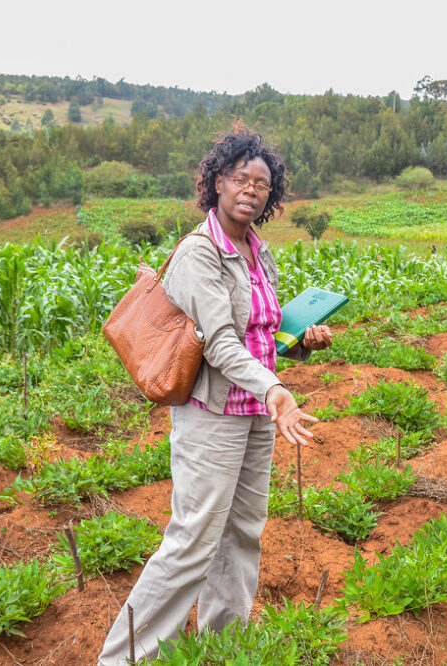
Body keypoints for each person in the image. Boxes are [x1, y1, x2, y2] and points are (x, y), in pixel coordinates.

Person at [99, 123, 332, 665]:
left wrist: (299, 346)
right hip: (213, 414)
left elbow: (261, 333)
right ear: (218, 182)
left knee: (242, 535)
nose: (251, 189)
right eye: (241, 178)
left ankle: (225, 650)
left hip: (254, 412)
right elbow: (222, 342)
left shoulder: (257, 251)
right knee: (193, 544)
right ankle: (123, 658)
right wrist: (276, 389)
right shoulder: (199, 253)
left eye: (262, 184)